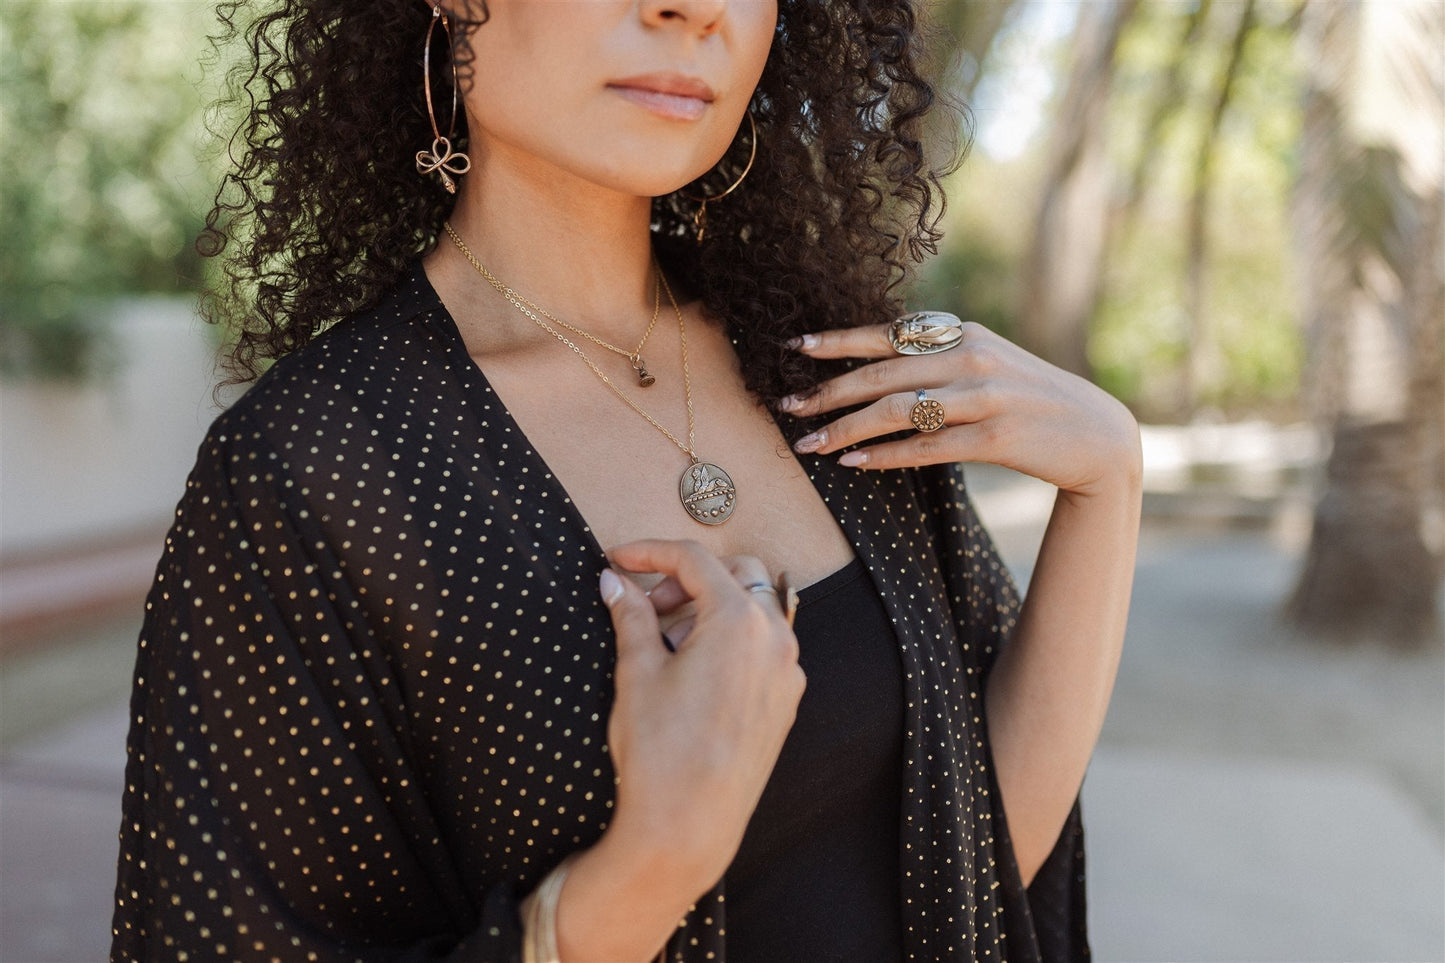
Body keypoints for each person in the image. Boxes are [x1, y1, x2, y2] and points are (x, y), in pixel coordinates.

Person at [110, 0, 1141, 959]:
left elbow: (972, 867)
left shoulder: (824, 372)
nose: (689, 9)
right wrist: (655, 860)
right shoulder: (311, 470)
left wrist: (1105, 484)